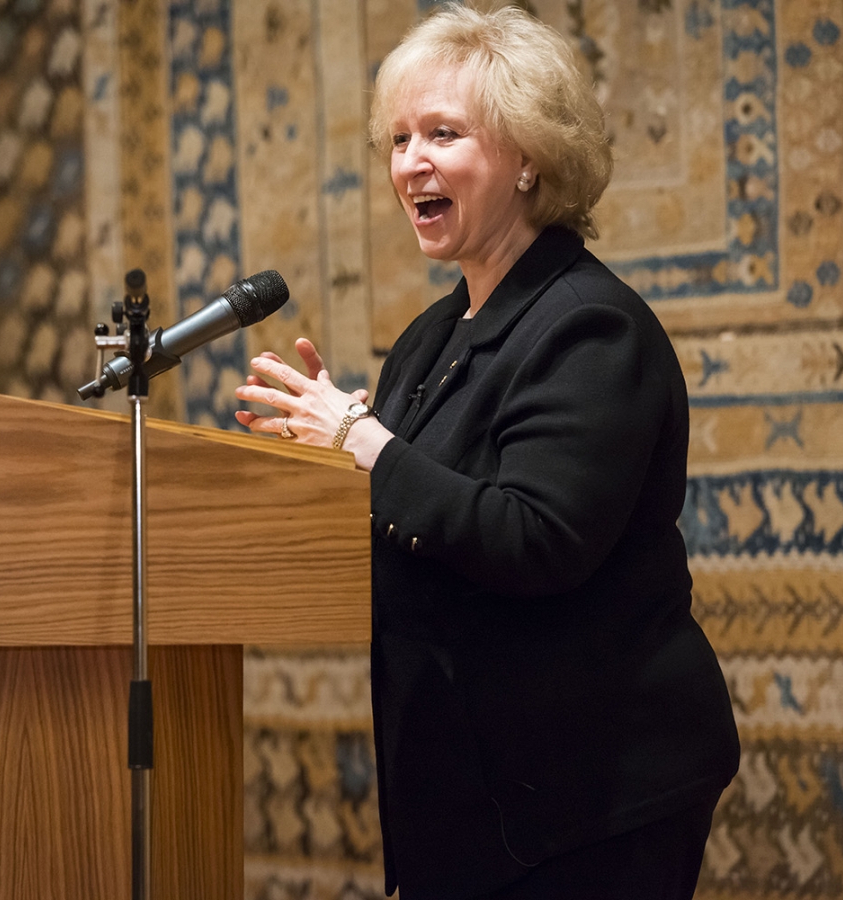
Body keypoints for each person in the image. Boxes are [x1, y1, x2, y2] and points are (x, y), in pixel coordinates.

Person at [235, 6, 740, 898]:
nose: (409, 163)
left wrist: (364, 443)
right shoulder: (432, 338)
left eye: (443, 133)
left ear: (530, 155)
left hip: (589, 801)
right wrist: (325, 466)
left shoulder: (589, 326)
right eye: (397, 138)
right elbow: (415, 511)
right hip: (469, 796)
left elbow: (535, 537)